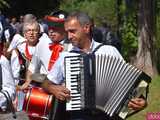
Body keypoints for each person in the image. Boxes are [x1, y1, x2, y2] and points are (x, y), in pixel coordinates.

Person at [42, 11, 147, 120]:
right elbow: (46, 83)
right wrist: (52, 88)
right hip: (80, 115)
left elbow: (127, 82)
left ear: (86, 28)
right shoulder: (65, 57)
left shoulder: (110, 51)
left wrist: (141, 99)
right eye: (67, 32)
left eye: (72, 31)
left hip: (109, 114)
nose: (69, 36)